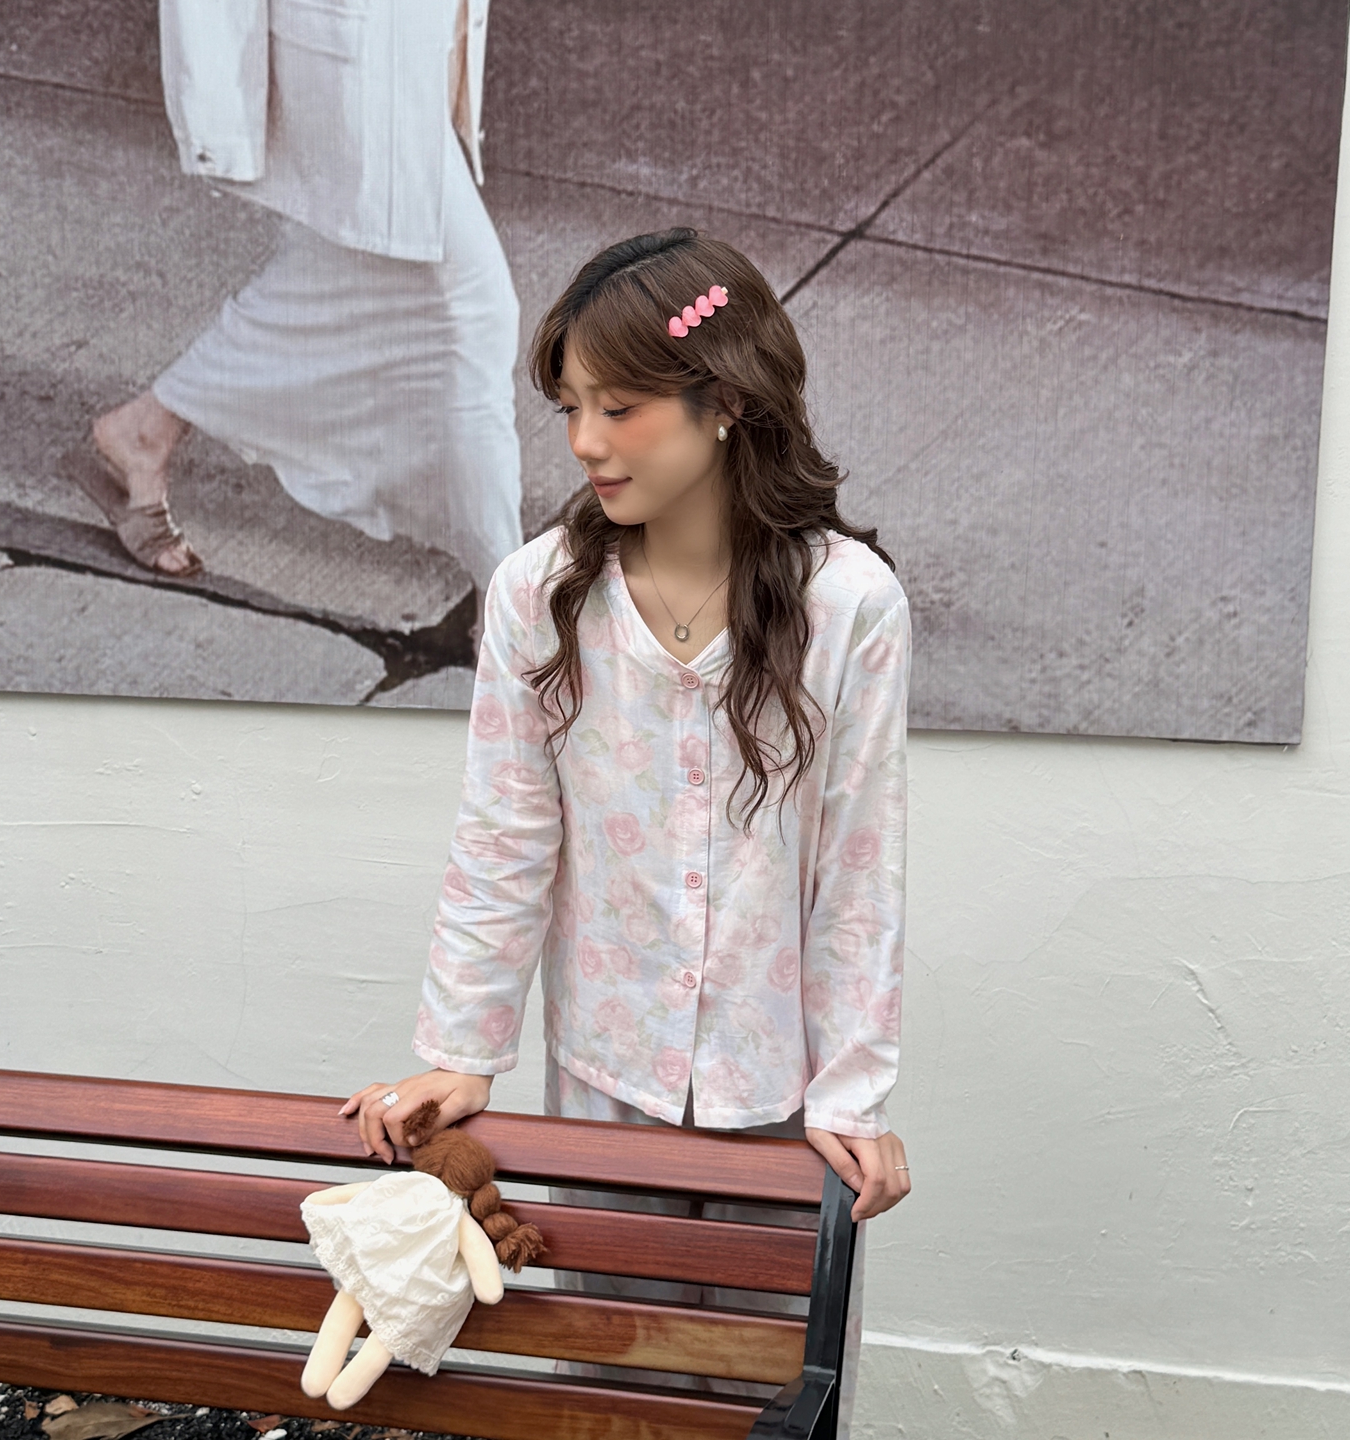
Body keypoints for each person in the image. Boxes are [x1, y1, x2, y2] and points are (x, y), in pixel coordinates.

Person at [342, 228, 911, 1433]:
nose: (585, 443)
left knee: (772, 1390)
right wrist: (463, 1047)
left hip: (777, 1093)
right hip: (605, 1078)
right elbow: (503, 836)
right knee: (609, 1384)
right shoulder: (541, 594)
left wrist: (852, 1096)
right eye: (569, 409)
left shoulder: (848, 604)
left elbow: (859, 872)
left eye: (620, 406)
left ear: (727, 403)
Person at [76, 0, 521, 614]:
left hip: (413, 36)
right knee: (474, 309)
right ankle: (509, 609)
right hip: (357, 47)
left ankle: (145, 431)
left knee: (343, 267)